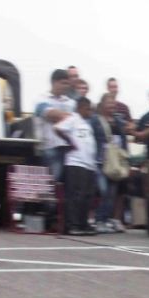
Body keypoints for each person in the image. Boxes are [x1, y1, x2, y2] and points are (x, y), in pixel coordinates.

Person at [56, 97, 98, 235]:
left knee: (87, 196)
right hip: (76, 162)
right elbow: (57, 128)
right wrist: (69, 140)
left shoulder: (87, 123)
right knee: (75, 195)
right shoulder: (73, 119)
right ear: (80, 108)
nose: (90, 111)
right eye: (87, 109)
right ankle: (72, 225)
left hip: (89, 164)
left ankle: (83, 223)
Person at [92, 94, 128, 233]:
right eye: (109, 103)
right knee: (104, 190)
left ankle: (105, 219)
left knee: (112, 193)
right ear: (102, 104)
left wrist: (125, 159)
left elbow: (123, 141)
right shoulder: (95, 120)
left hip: (115, 162)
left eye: (114, 103)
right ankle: (98, 219)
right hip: (101, 160)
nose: (112, 106)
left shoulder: (119, 121)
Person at [34, 69, 76, 182]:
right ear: (54, 82)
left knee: (63, 183)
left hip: (67, 148)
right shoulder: (41, 99)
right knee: (51, 181)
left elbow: (75, 121)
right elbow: (50, 114)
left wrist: (59, 115)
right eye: (63, 83)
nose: (66, 86)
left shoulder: (71, 102)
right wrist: (67, 116)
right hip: (49, 146)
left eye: (67, 83)